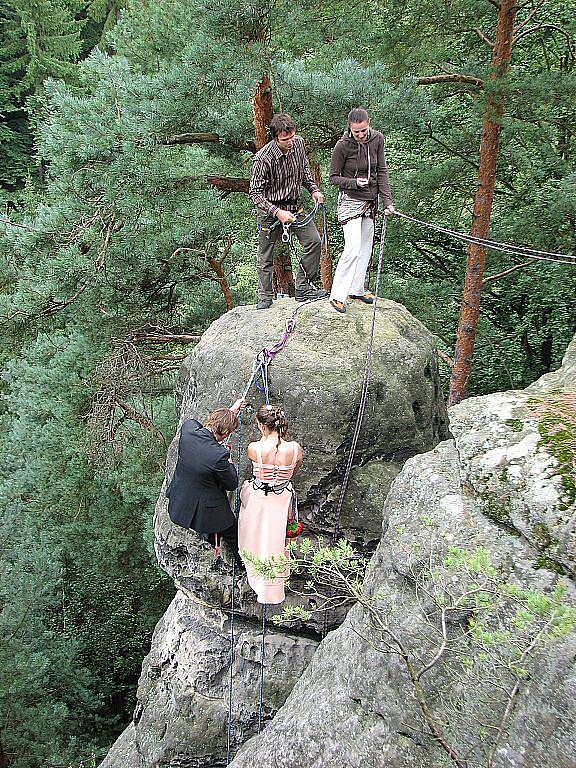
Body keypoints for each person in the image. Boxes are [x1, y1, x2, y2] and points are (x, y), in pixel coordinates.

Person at [249, 112, 328, 310]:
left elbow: (305, 171)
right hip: (270, 211)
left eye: (292, 136)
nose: (290, 142)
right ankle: (265, 297)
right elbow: (255, 194)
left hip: (295, 205)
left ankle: (303, 288)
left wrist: (314, 189)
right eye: (285, 139)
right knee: (266, 255)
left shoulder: (299, 144)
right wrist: (277, 212)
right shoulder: (263, 159)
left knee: (314, 242)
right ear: (275, 137)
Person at [328, 107, 395, 314]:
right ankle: (337, 295)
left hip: (370, 201)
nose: (360, 134)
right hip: (350, 200)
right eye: (356, 131)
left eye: (363, 130)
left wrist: (387, 202)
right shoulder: (342, 146)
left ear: (369, 123)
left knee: (366, 246)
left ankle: (357, 289)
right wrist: (354, 182)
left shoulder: (377, 139)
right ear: (350, 128)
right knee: (353, 248)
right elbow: (333, 178)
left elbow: (381, 170)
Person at [238, 404, 303, 604]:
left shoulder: (254, 448)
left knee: (255, 539)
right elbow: (295, 469)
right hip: (281, 498)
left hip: (259, 498)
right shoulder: (294, 449)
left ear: (261, 425)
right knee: (276, 541)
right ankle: (273, 585)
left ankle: (258, 579)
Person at [166, 398, 244, 562]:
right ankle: (241, 561)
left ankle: (207, 532)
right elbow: (231, 483)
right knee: (232, 533)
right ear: (226, 434)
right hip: (206, 510)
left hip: (180, 499)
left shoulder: (188, 430)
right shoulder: (218, 455)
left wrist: (230, 412)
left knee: (205, 524)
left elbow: (203, 428)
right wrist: (228, 462)